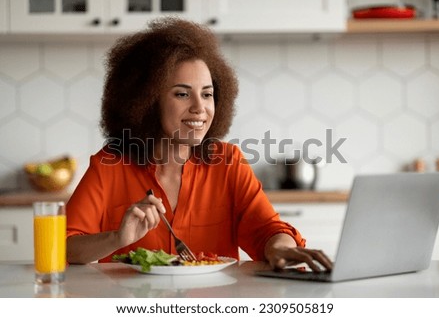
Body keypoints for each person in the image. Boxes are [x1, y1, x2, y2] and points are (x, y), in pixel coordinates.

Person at [66, 17, 332, 272]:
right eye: (182, 94)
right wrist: (116, 239)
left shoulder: (228, 163)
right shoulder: (109, 166)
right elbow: (64, 246)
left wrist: (279, 248)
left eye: (207, 94)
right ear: (146, 101)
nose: (200, 108)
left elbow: (268, 230)